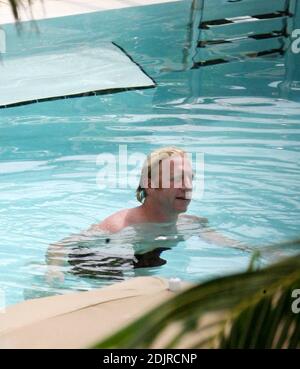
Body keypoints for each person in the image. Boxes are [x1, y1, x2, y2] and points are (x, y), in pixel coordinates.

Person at [47, 147, 247, 283]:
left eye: (190, 179)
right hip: (94, 272)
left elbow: (235, 246)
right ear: (149, 185)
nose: (187, 186)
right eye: (176, 178)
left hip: (143, 262)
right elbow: (59, 246)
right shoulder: (120, 226)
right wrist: (54, 271)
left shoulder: (191, 224)